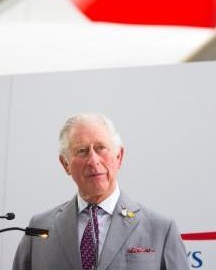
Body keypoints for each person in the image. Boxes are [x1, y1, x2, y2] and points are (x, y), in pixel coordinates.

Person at [13, 112, 189, 270]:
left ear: (119, 157)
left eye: (101, 148)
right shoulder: (38, 229)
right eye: (81, 151)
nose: (93, 160)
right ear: (65, 164)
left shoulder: (160, 230)